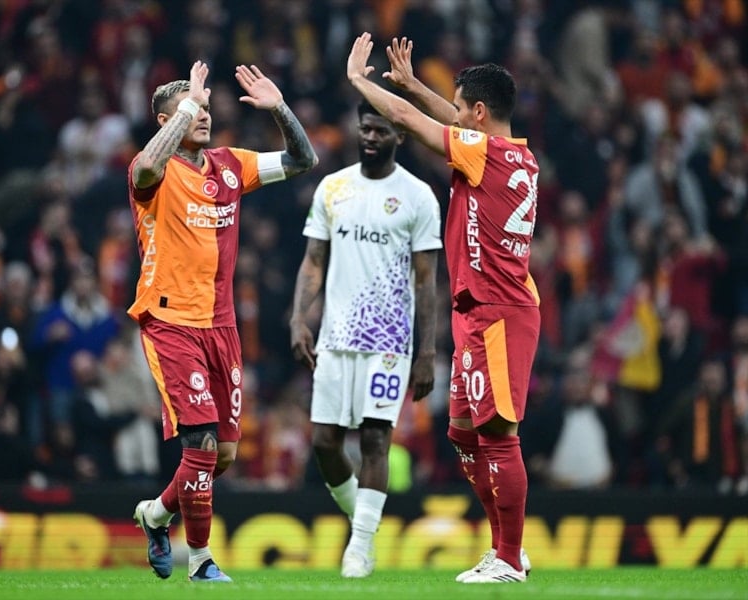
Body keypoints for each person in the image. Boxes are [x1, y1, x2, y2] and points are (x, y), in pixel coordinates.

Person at [346, 34, 539, 583]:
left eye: (459, 107)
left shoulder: (484, 154)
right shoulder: (516, 154)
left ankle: (509, 557)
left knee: (497, 434)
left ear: (479, 113)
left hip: (498, 310)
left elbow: (408, 122)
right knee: (462, 433)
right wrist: (412, 84)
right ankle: (505, 548)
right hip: (477, 309)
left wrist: (359, 80)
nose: (452, 115)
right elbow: (442, 119)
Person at [128, 60, 317, 583]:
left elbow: (304, 159)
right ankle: (201, 560)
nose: (205, 115)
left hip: (223, 326)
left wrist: (280, 109)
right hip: (170, 320)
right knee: (202, 445)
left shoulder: (231, 165)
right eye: (193, 110)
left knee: (223, 455)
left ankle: (156, 514)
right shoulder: (152, 171)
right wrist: (187, 103)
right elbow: (145, 168)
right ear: (167, 120)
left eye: (207, 107)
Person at [289, 100, 442, 578]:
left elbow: (426, 281)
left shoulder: (418, 196)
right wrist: (298, 318)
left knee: (376, 438)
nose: (371, 137)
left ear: (400, 135)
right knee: (324, 443)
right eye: (365, 128)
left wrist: (427, 351)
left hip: (389, 339)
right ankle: (366, 526)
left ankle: (358, 548)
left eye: (380, 130)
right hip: (336, 335)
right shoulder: (333, 187)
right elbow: (313, 260)